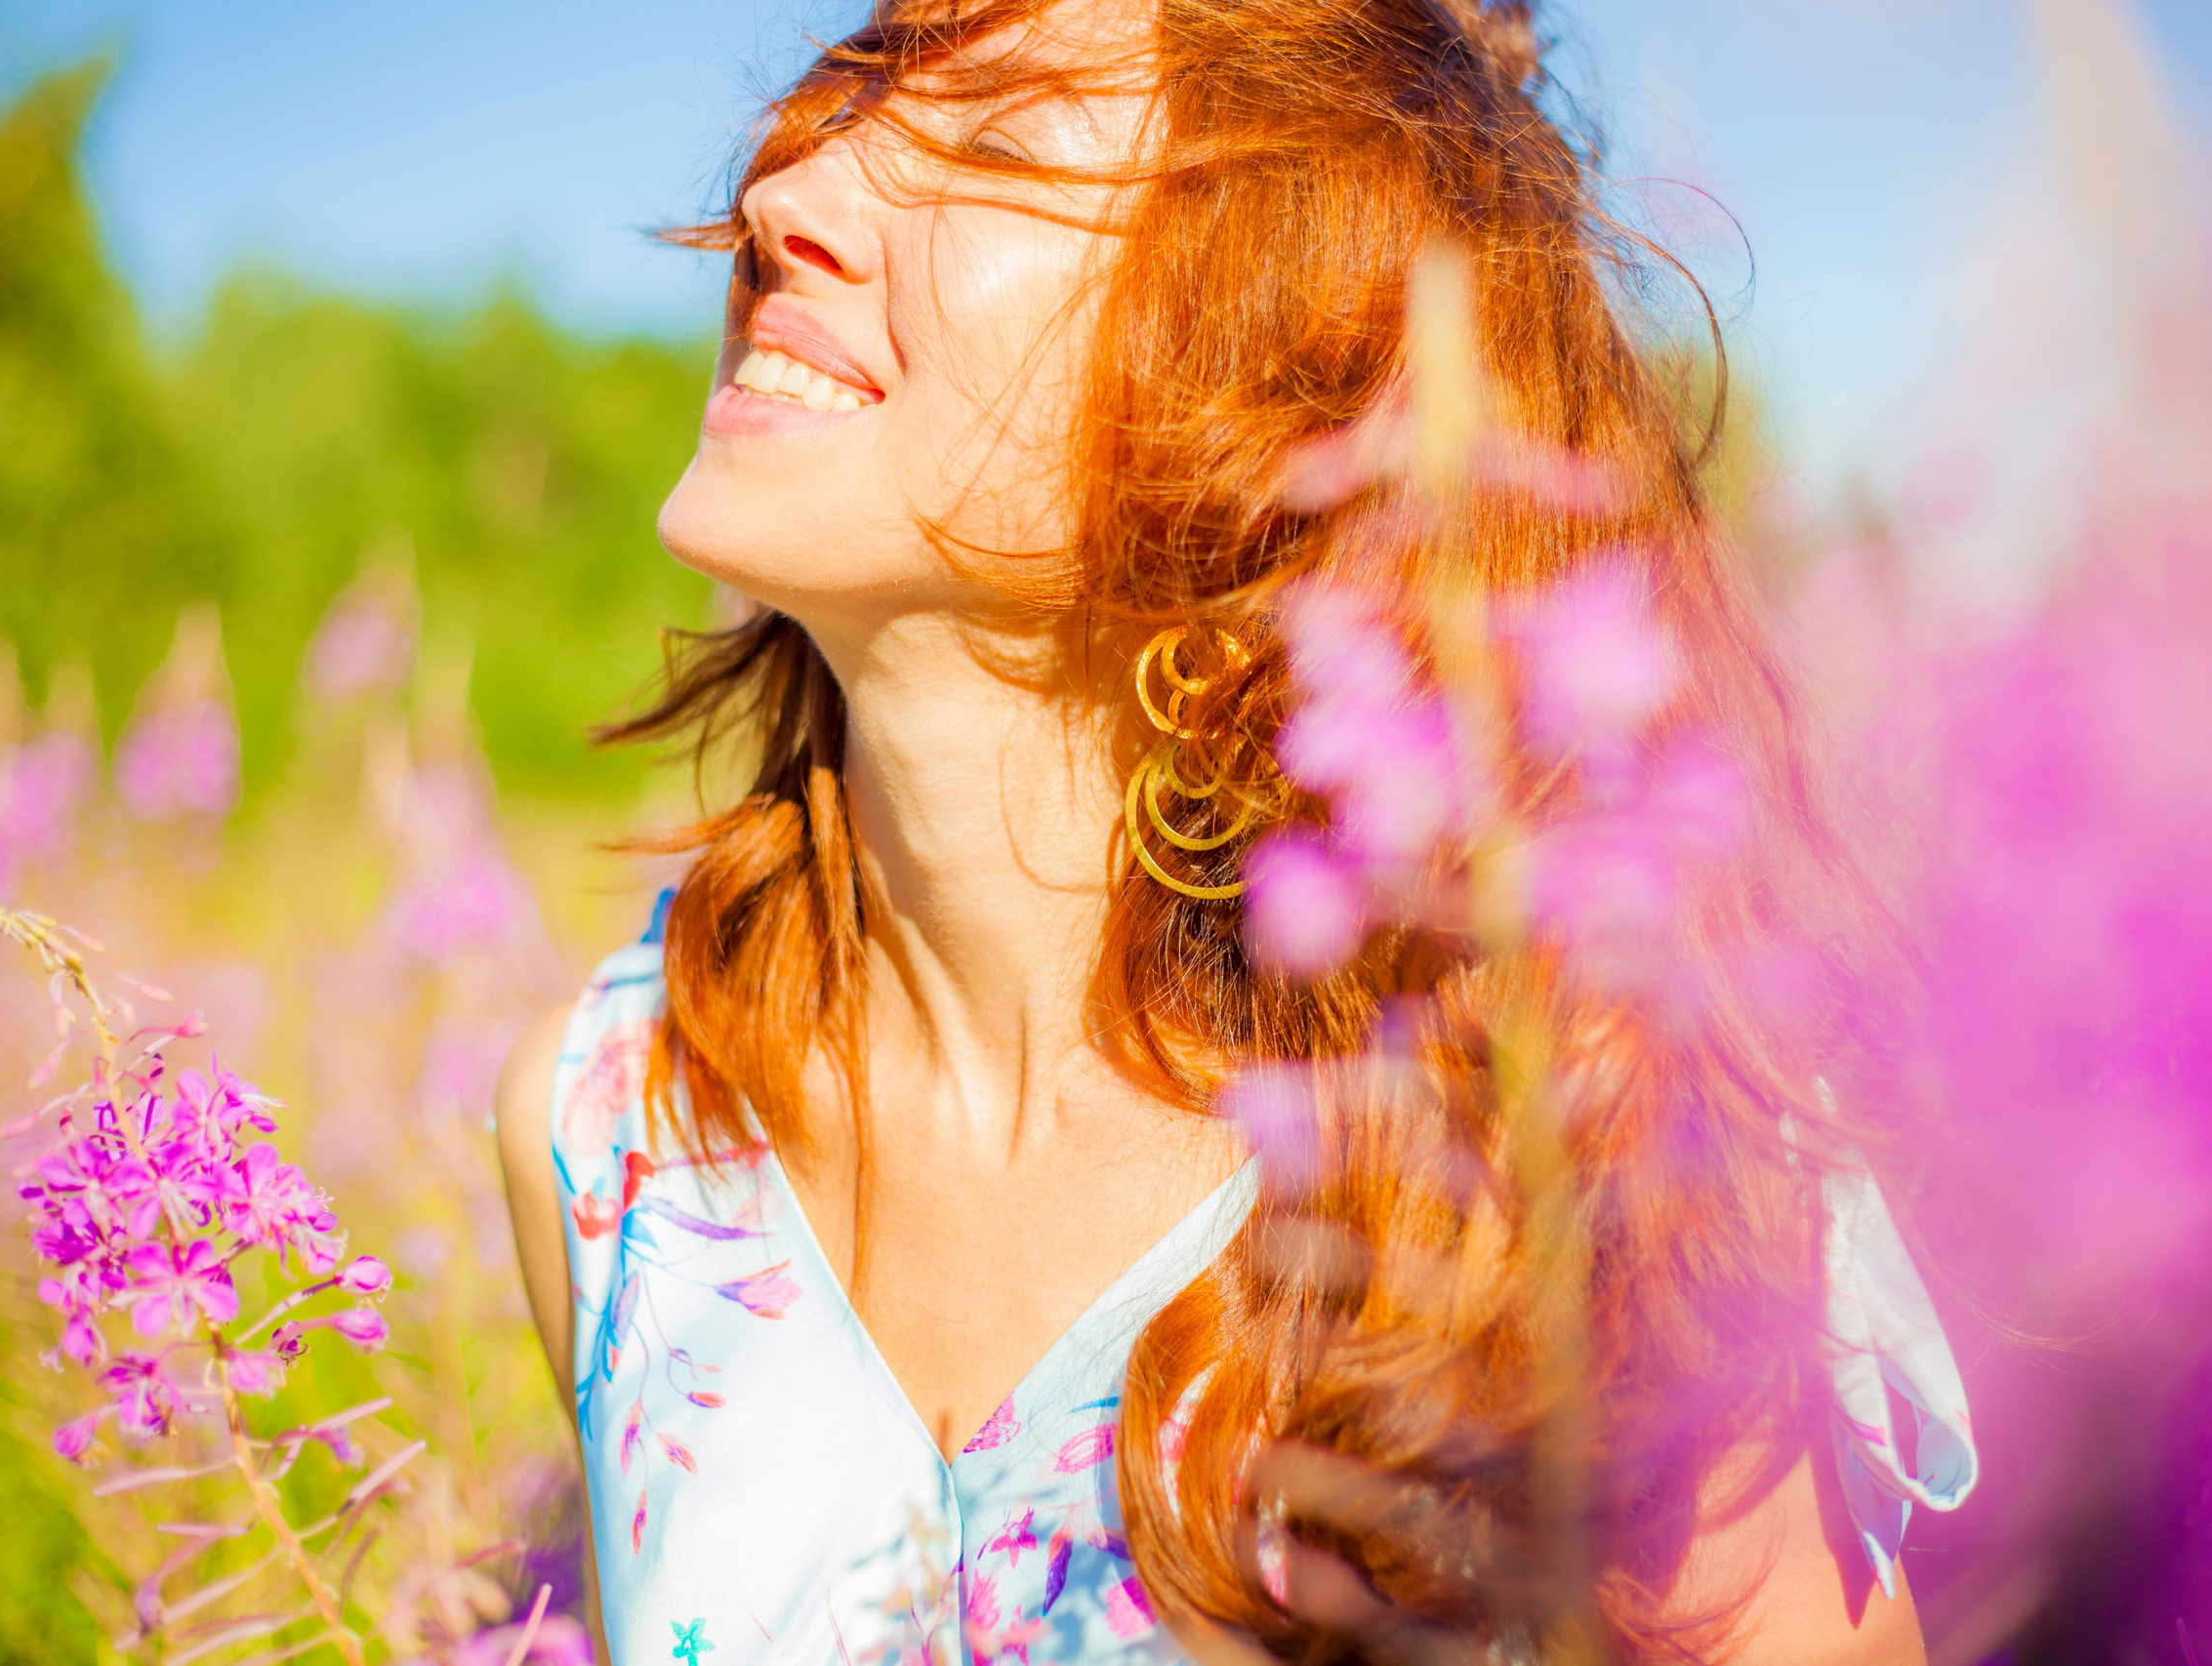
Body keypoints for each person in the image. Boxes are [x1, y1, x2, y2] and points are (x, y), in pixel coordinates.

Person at [495, 0, 1976, 1659]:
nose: (790, 195)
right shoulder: (613, 1123)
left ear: (1267, 385)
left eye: (992, 142)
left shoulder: (1594, 1150)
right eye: (852, 100)